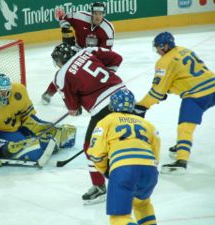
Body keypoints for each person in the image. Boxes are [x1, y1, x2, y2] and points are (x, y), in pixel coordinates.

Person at [50, 42, 125, 204]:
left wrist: (75, 107)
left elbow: (74, 110)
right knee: (125, 138)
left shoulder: (61, 75)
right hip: (124, 96)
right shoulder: (88, 51)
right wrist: (106, 79)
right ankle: (139, 169)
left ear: (61, 59)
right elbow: (116, 58)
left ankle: (99, 187)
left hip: (104, 108)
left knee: (90, 147)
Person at [134, 31, 215, 174]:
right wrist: (169, 90)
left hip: (196, 96)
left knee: (185, 128)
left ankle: (181, 161)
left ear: (165, 46)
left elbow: (157, 92)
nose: (157, 51)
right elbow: (184, 75)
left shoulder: (164, 62)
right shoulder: (184, 49)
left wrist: (142, 105)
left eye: (158, 48)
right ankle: (181, 145)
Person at [0, 73, 76, 169]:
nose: (6, 94)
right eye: (2, 92)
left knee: (55, 132)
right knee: (34, 151)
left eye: (7, 91)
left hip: (18, 128)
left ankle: (34, 142)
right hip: (0, 133)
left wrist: (45, 127)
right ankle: (8, 148)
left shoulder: (19, 90)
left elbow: (28, 116)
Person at [88, 89, 160, 225]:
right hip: (150, 171)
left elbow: (96, 153)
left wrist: (106, 171)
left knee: (119, 217)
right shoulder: (147, 124)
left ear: (112, 105)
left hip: (124, 169)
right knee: (143, 205)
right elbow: (156, 150)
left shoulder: (106, 121)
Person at [42, 2, 117, 104]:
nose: (98, 16)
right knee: (66, 70)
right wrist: (64, 24)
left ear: (104, 14)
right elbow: (64, 17)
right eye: (95, 13)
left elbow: (105, 52)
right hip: (77, 50)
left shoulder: (108, 29)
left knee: (91, 78)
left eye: (100, 13)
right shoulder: (79, 16)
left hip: (95, 56)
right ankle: (49, 92)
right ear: (91, 13)